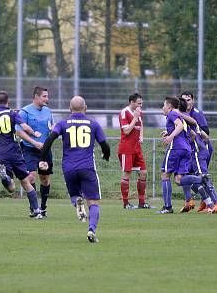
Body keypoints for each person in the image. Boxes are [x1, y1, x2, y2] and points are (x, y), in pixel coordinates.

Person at [39, 96, 110, 243]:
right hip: (87, 167)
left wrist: (43, 159)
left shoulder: (63, 124)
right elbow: (105, 145)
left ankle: (77, 202)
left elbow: (49, 140)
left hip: (69, 168)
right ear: (86, 108)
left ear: (70, 109)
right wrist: (106, 155)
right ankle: (91, 229)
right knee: (93, 202)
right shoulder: (93, 124)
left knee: (74, 195)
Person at [0, 91, 43, 218]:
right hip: (14, 152)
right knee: (25, 181)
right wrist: (35, 134)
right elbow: (25, 127)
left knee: (11, 188)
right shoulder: (12, 113)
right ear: (8, 102)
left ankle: (5, 177)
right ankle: (36, 211)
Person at [178, 94, 217, 214]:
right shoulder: (182, 117)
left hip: (197, 151)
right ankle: (202, 202)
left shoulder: (190, 115)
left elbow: (201, 133)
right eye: (184, 100)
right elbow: (203, 134)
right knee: (186, 177)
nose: (187, 102)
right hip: (191, 152)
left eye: (188, 100)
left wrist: (196, 142)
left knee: (201, 177)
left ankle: (216, 202)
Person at [16, 87, 54, 217]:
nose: (47, 99)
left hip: (45, 150)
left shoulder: (48, 111)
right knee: (31, 176)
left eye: (47, 96)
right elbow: (19, 131)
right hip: (29, 149)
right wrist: (34, 143)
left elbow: (51, 128)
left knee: (45, 178)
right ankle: (34, 207)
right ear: (36, 97)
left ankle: (43, 207)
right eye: (44, 96)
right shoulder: (25, 112)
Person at [159, 96, 192, 214]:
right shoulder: (178, 115)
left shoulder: (172, 113)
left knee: (165, 174)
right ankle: (200, 179)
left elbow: (180, 126)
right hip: (186, 149)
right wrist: (169, 132)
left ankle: (167, 207)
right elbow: (182, 128)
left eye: (163, 105)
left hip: (176, 148)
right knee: (178, 179)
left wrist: (171, 136)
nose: (162, 108)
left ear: (169, 106)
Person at [117, 93, 151, 209]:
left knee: (143, 173)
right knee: (127, 173)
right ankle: (126, 203)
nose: (140, 106)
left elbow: (140, 125)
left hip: (137, 148)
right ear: (132, 102)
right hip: (126, 148)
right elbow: (126, 131)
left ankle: (142, 202)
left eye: (141, 103)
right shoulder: (124, 112)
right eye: (138, 103)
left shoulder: (139, 112)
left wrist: (141, 136)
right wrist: (135, 118)